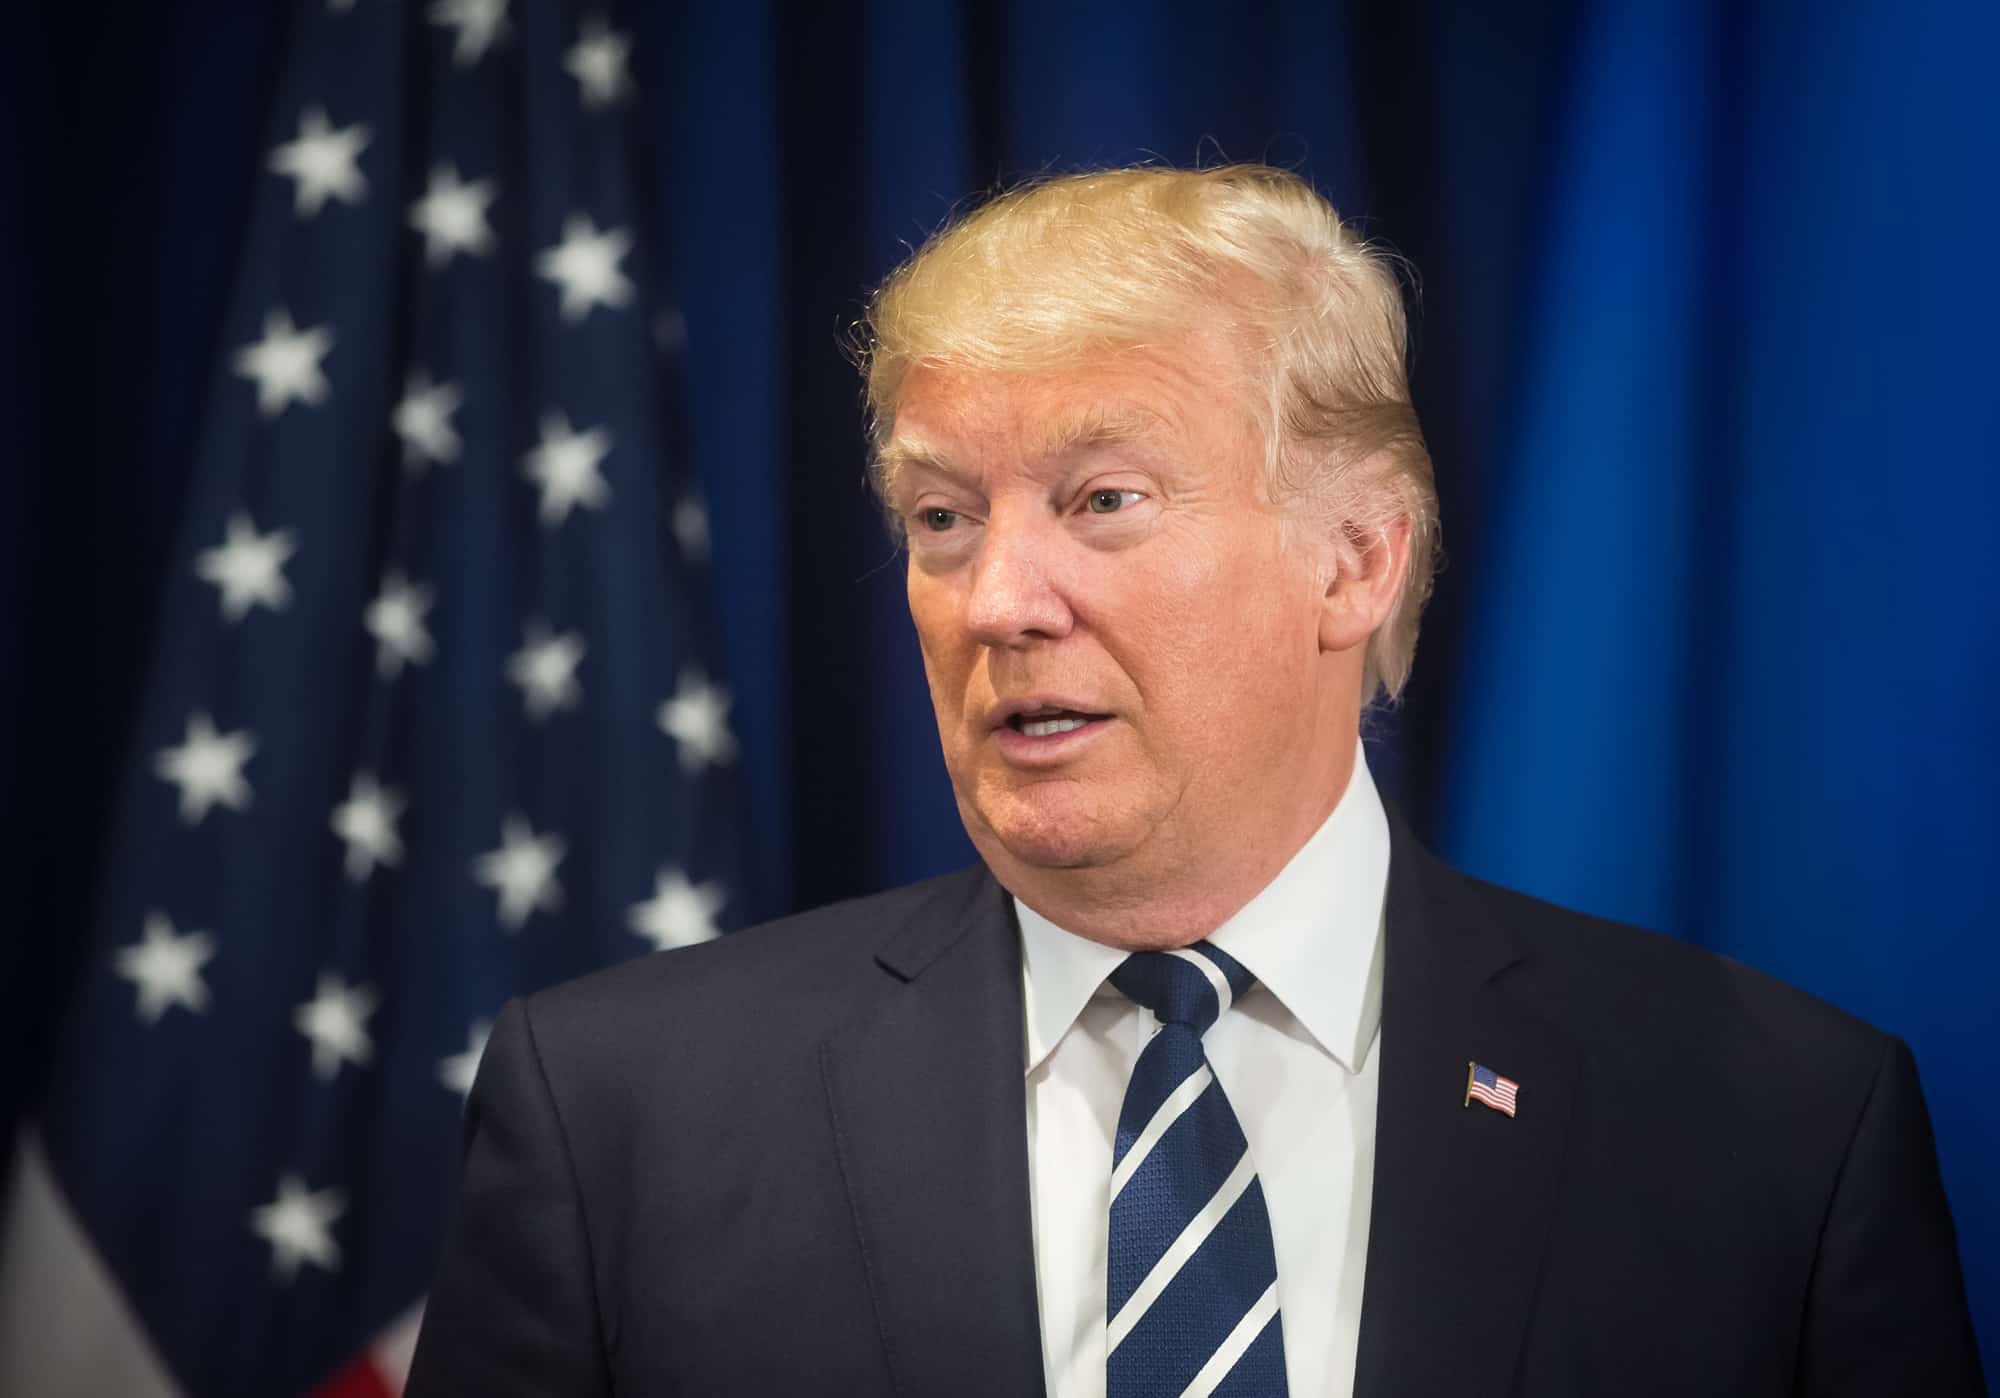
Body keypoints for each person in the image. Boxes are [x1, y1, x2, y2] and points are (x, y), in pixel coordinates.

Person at [405, 165, 1984, 1397]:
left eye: (1102, 498)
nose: (1000, 597)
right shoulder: (618, 1118)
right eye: (944, 516)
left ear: (1356, 559)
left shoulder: (1781, 1131)